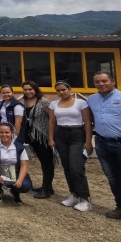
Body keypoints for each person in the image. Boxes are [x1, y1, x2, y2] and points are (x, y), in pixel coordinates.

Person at [87, 72, 121, 220]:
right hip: (102, 143)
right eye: (97, 82)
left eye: (104, 81)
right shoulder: (91, 100)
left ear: (113, 81)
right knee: (113, 177)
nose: (101, 84)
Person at [48, 80, 93, 212]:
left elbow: (88, 121)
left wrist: (88, 141)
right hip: (61, 135)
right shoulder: (53, 104)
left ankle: (84, 198)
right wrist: (51, 138)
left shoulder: (81, 103)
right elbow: (51, 122)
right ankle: (74, 194)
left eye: (63, 89)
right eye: (58, 90)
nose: (61, 92)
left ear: (69, 89)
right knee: (67, 166)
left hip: (77, 135)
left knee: (76, 166)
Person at [20, 81, 55, 199]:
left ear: (35, 89)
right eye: (25, 89)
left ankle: (46, 190)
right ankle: (47, 186)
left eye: (30, 89)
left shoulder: (43, 102)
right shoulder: (25, 102)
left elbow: (52, 119)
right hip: (33, 137)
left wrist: (50, 137)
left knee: (47, 163)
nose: (28, 91)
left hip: (43, 136)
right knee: (43, 162)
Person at [0, 123, 33, 204]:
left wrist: (20, 180)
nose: (4, 135)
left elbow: (23, 166)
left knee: (26, 185)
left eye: (7, 132)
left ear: (12, 133)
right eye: (1, 132)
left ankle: (15, 192)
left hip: (15, 171)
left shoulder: (19, 147)